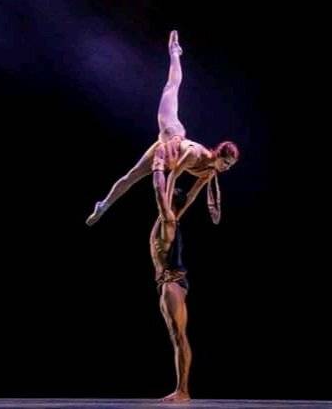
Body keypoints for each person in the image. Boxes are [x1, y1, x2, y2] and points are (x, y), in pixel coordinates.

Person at [86, 30, 240, 227]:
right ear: (218, 155)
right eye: (226, 162)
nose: (227, 167)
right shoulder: (195, 154)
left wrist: (175, 219)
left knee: (134, 174)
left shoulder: (209, 173)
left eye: (230, 165)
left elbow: (191, 196)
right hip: (171, 130)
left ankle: (103, 205)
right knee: (172, 86)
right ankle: (174, 51)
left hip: (166, 151)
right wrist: (165, 210)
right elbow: (173, 176)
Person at [150, 179, 191, 402]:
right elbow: (189, 199)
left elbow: (160, 191)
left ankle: (182, 390)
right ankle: (182, 390)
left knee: (178, 336)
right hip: (168, 282)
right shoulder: (169, 218)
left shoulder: (169, 220)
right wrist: (203, 180)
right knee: (177, 335)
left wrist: (166, 170)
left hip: (171, 281)